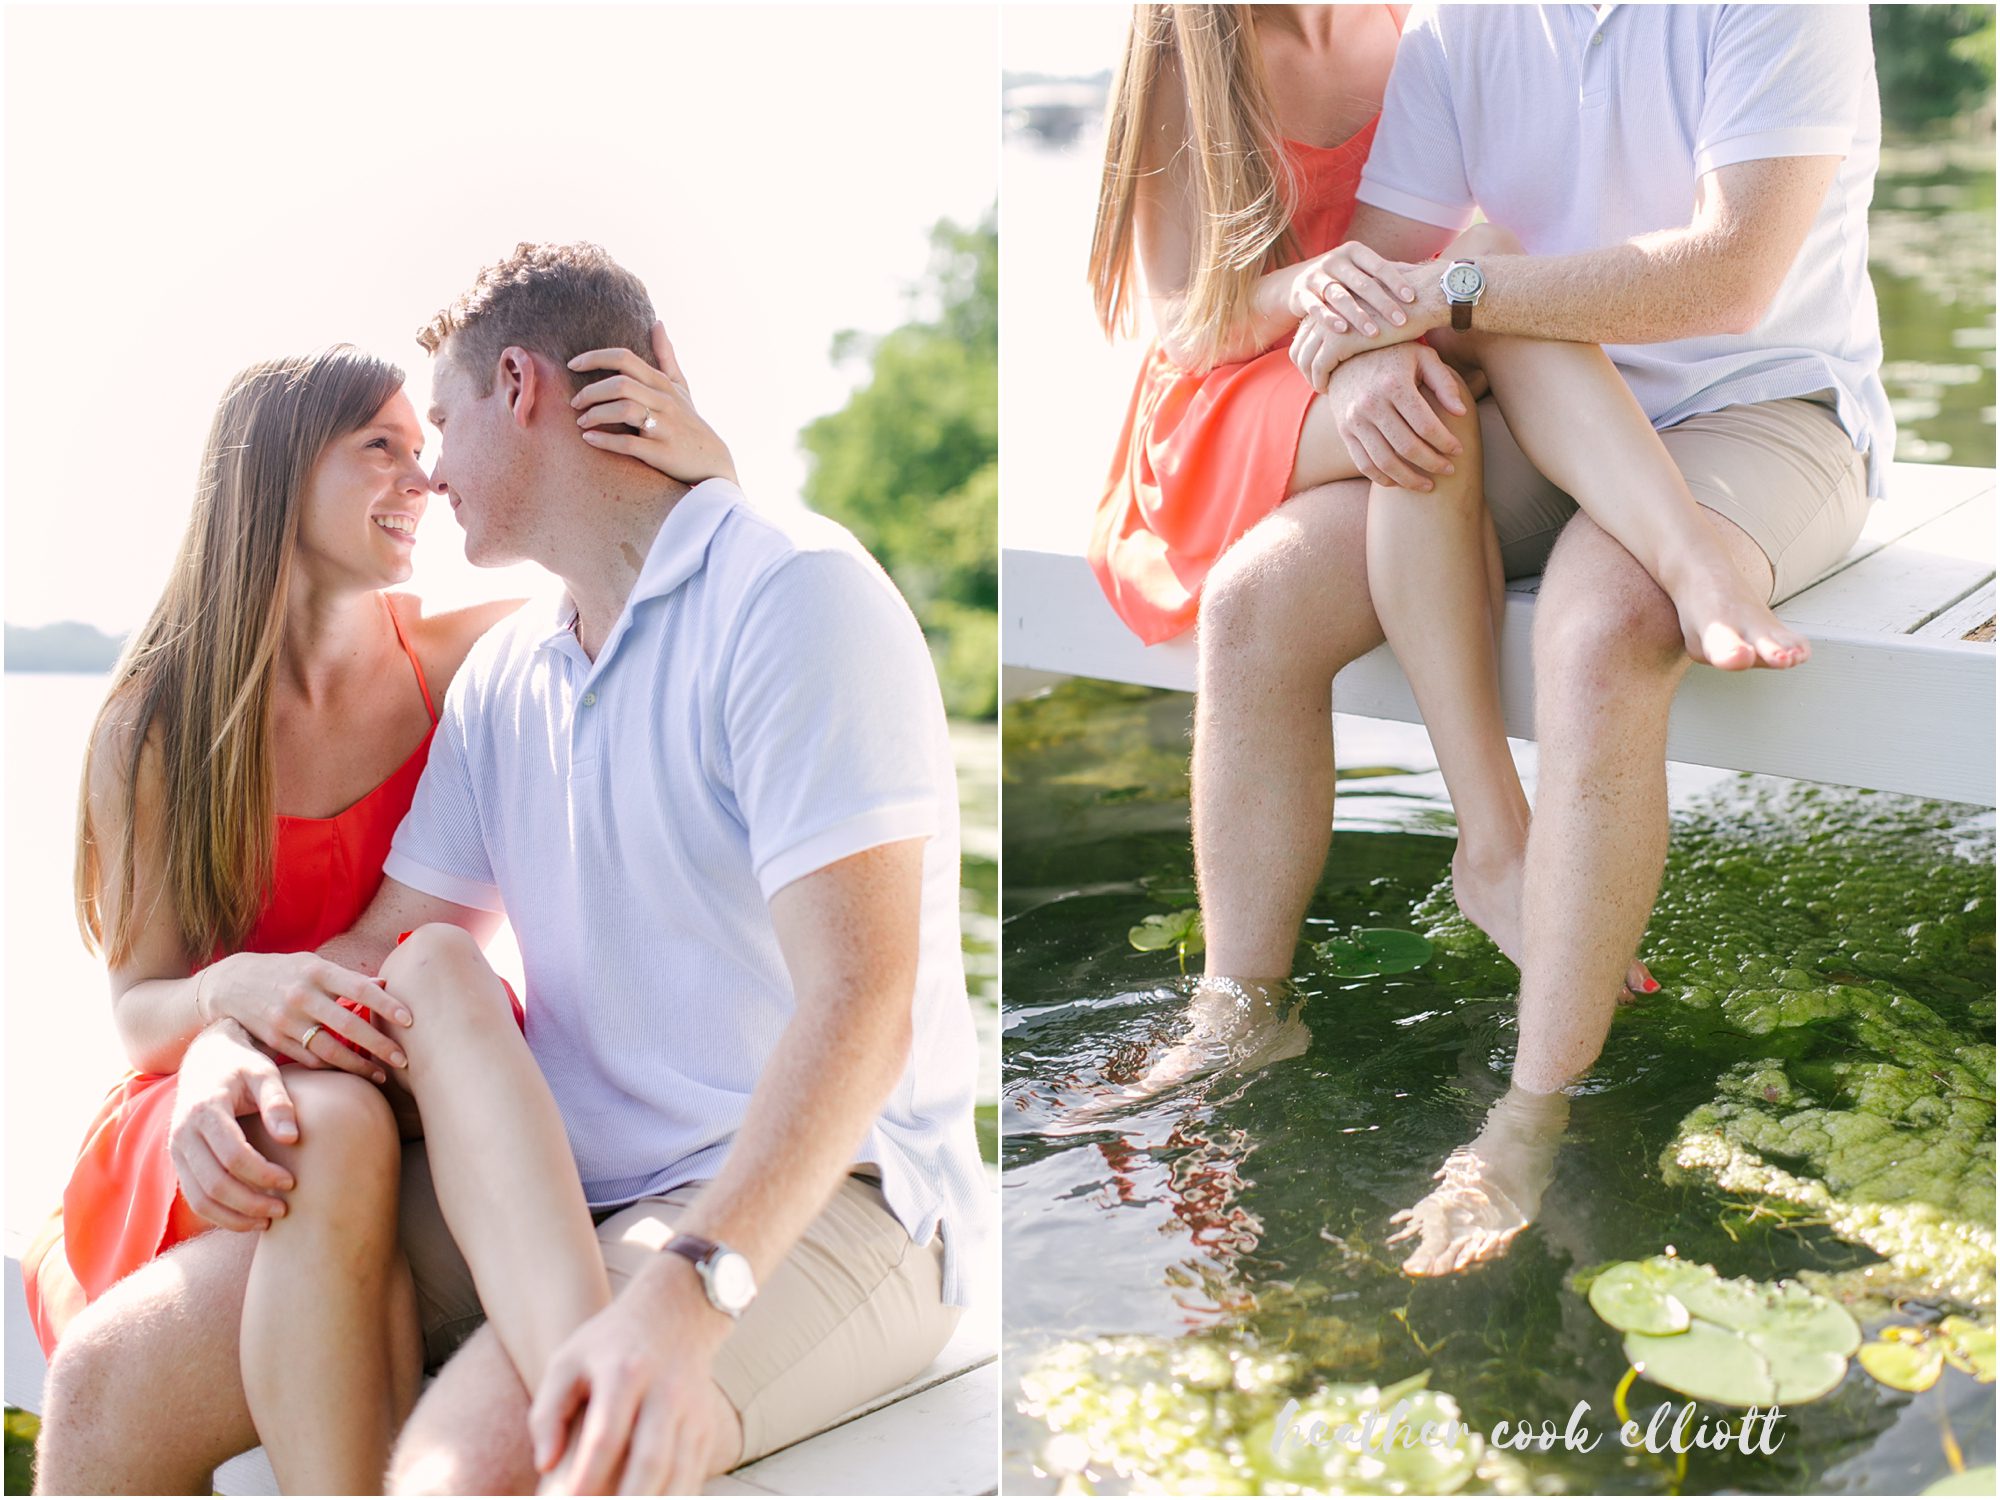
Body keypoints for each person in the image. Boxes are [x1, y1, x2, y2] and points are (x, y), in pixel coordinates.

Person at [150, 242, 984, 1496]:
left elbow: (860, 1007)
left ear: (522, 388)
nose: (428, 470)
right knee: (118, 1375)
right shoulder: (503, 679)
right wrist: (221, 1037)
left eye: (440, 421)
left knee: (455, 1472)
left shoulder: (794, 599)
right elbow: (388, 950)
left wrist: (686, 1296)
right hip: (567, 1194)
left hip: (829, 1198)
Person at [1273, 3, 1890, 1273]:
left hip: (1760, 407)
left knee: (1605, 622)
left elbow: (1728, 275)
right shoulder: (1461, 29)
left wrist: (1445, 293)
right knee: (1264, 585)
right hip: (1538, 391)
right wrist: (1365, 367)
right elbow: (1384, 275)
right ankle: (1260, 989)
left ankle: (1528, 1113)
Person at [1088, 0, 1795, 1065]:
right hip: (1240, 383)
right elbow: (1185, 320)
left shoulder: (1416, 24)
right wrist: (1320, 299)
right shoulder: (1193, 45)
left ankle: (1499, 833)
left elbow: (1452, 254)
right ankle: (1265, 989)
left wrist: (1395, 321)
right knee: (1438, 371)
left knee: (1482, 280)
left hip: (1396, 341)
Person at [25, 344, 640, 1493]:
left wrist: (677, 444)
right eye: (381, 449)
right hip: (215, 1099)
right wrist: (229, 998)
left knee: (351, 1119)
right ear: (273, 474)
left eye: (424, 450)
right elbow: (137, 1010)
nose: (425, 480)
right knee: (329, 1129)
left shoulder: (468, 660)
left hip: (414, 1080)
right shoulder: (156, 725)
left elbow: (660, 572)